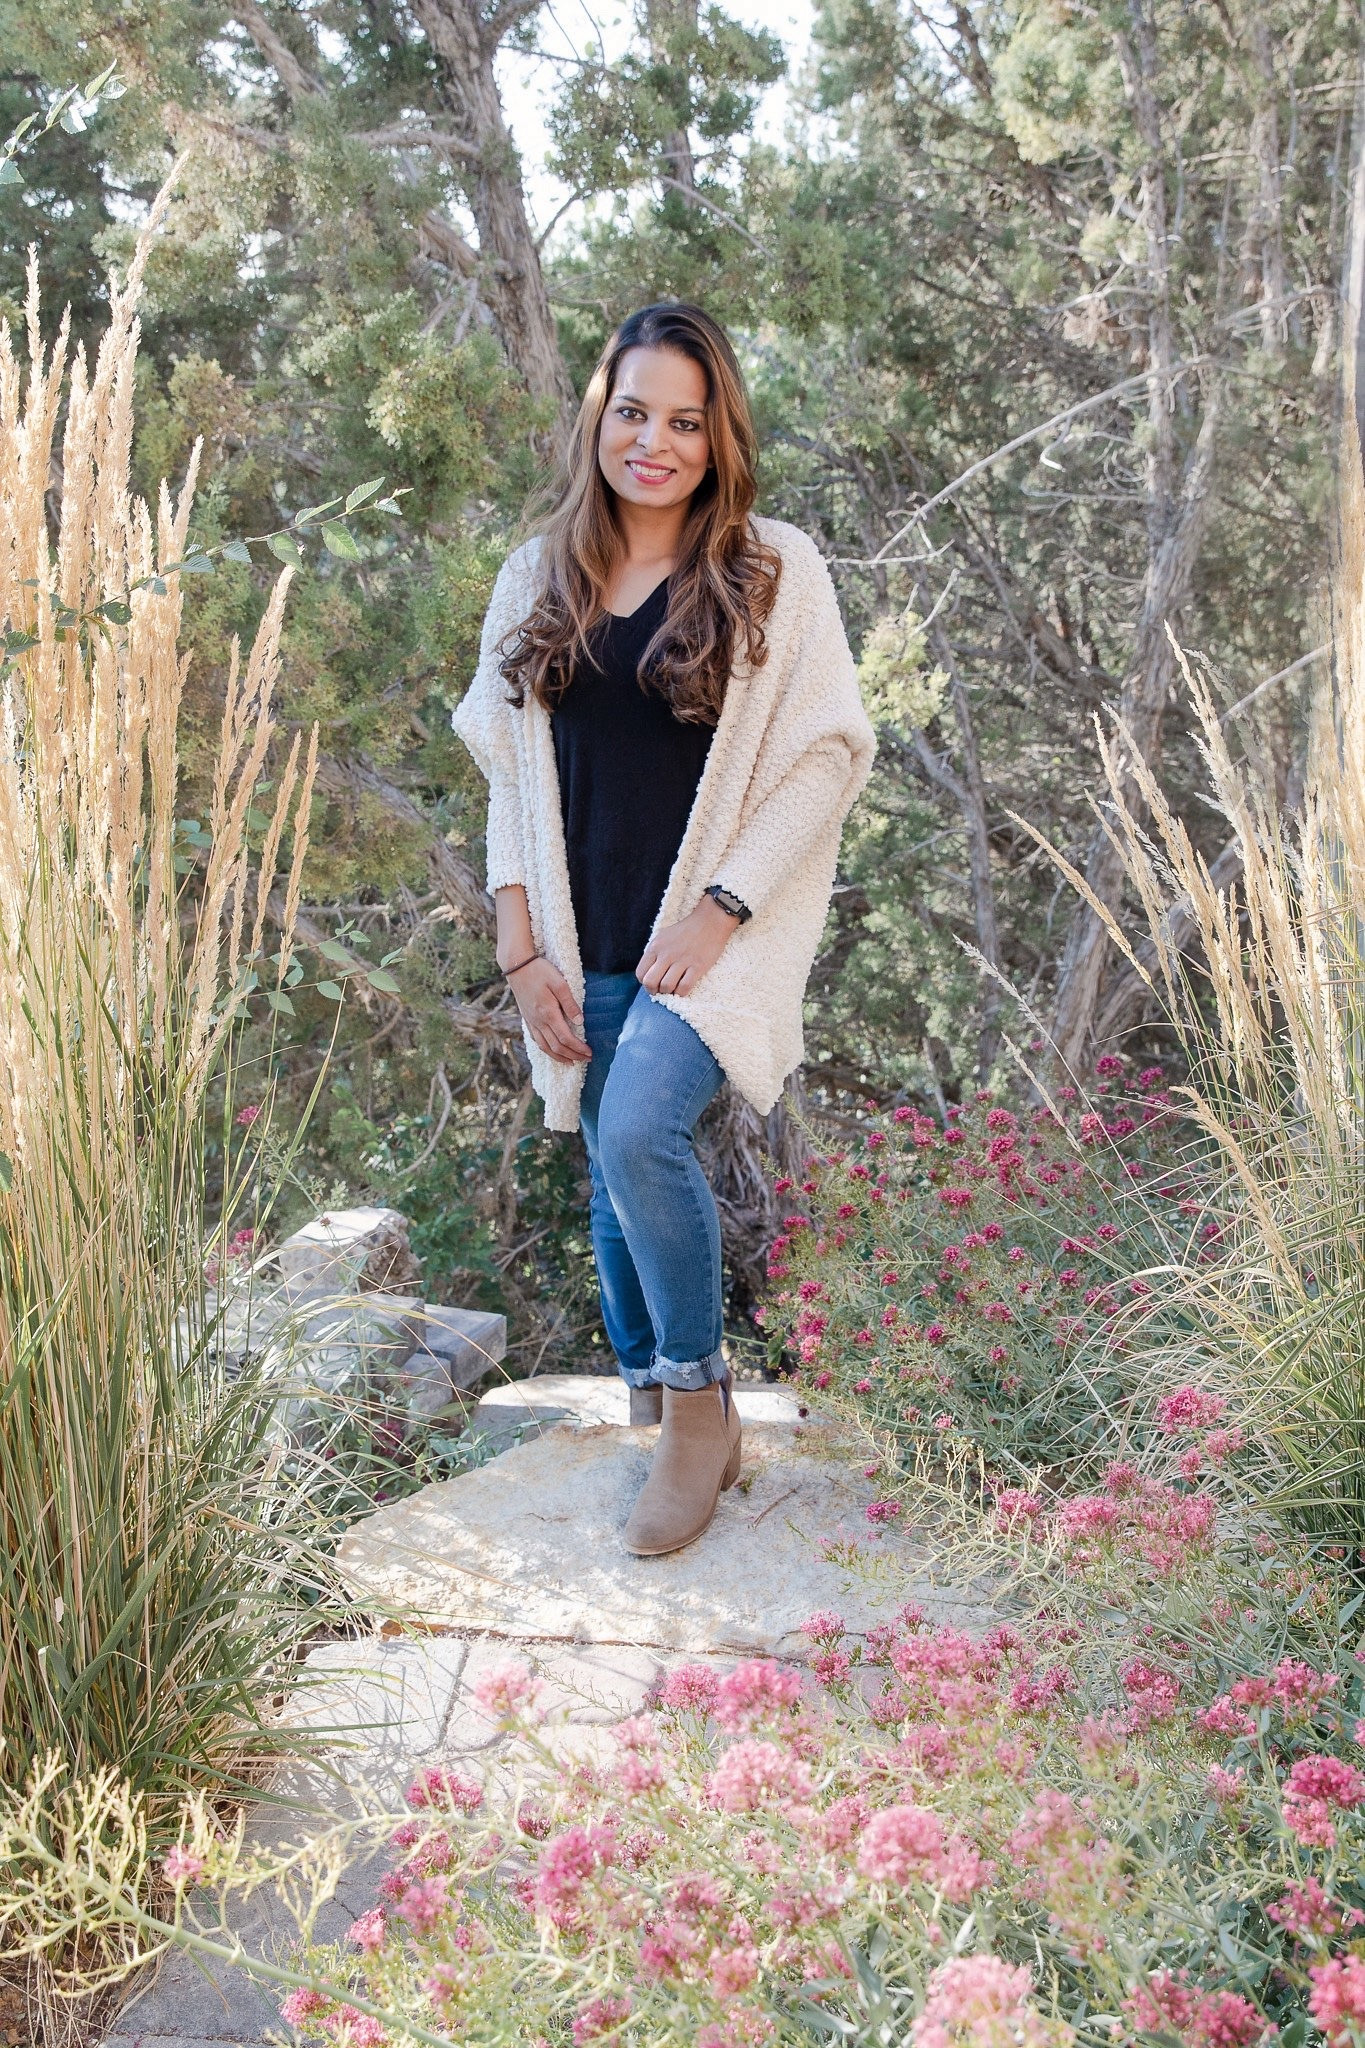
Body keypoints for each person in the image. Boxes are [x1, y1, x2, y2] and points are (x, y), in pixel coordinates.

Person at [452, 302, 875, 1557]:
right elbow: (509, 776)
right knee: (600, 1141)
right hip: (577, 931)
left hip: (707, 937)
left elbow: (826, 755)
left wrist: (722, 903)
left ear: (718, 434)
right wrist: (520, 949)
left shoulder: (772, 568)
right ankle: (645, 1388)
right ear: (598, 418)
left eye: (686, 420)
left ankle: (701, 1404)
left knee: (640, 1125)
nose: (656, 441)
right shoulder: (536, 576)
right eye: (633, 411)